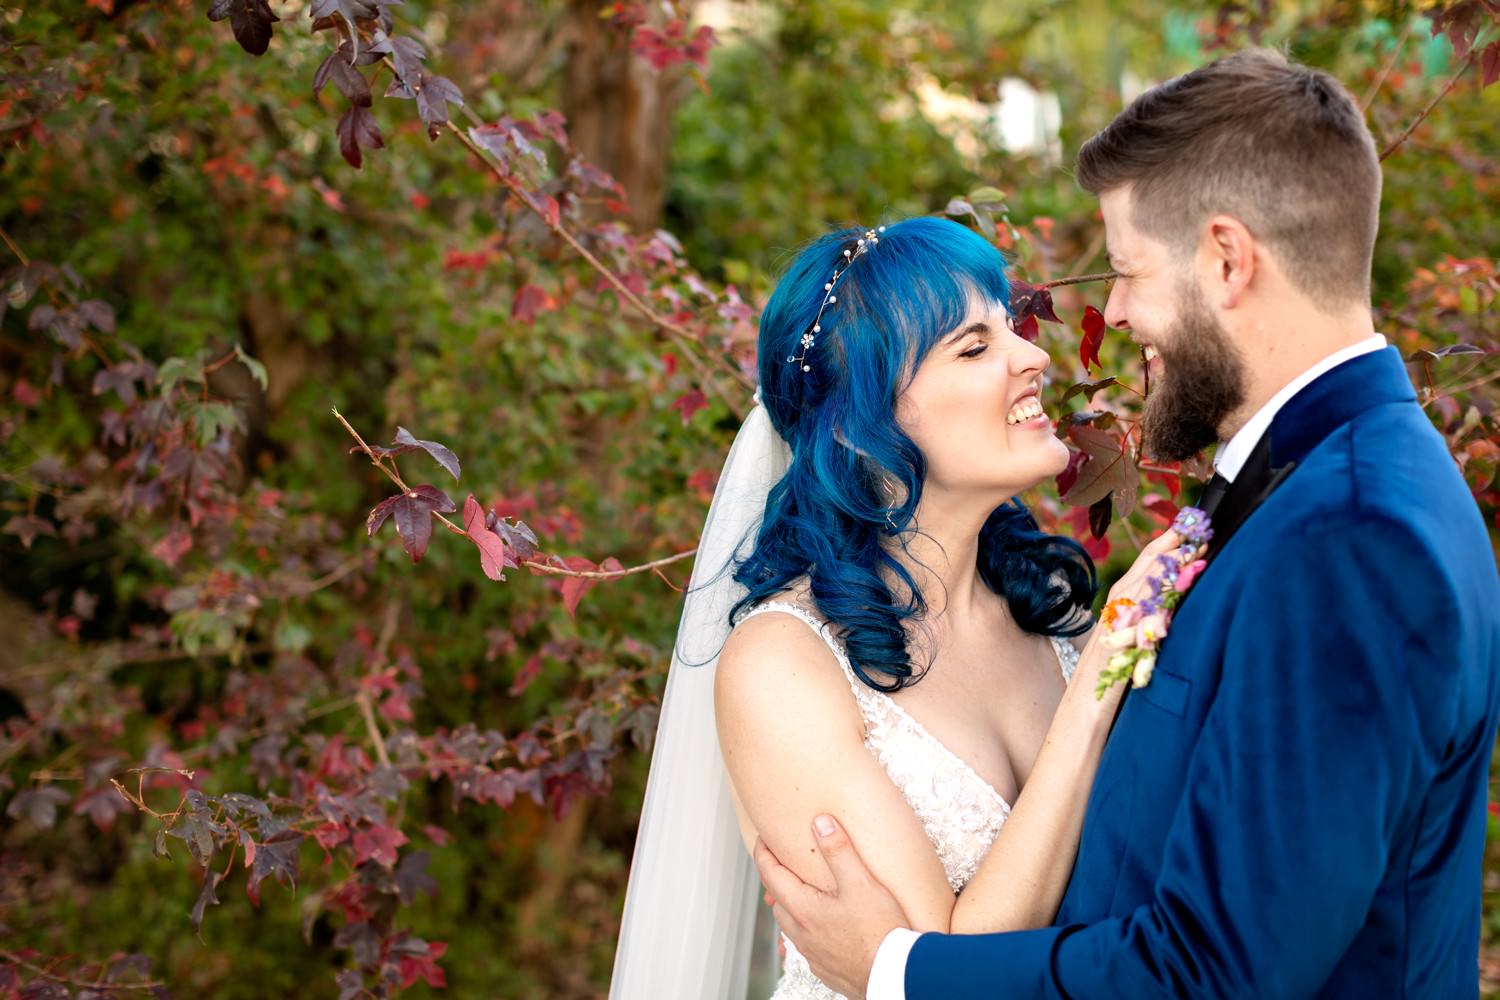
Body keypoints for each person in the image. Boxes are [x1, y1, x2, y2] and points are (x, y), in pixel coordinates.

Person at [753, 48, 1500, 999]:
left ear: (1227, 260)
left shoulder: (1349, 534)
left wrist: (900, 971)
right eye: (975, 343)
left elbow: (1218, 968)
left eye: (1128, 271)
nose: (1111, 313)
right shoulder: (1313, 495)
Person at [609, 216, 1180, 999]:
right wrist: (1101, 680)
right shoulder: (783, 665)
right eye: (975, 348)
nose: (1035, 355)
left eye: (1008, 326)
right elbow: (938, 976)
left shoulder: (1053, 613)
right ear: (860, 429)